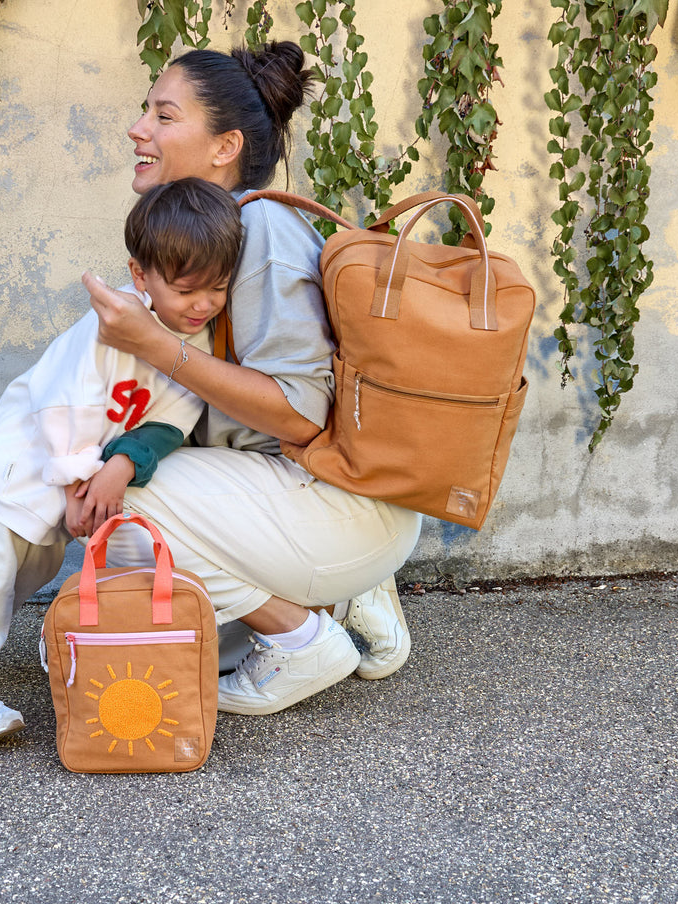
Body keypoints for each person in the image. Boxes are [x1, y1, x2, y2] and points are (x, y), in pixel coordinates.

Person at [79, 41, 422, 716]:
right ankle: (342, 595)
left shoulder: (259, 226)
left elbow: (299, 415)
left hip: (339, 504)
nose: (138, 129)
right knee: (154, 618)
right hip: (301, 494)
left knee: (118, 504)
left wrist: (154, 344)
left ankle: (303, 636)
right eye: (144, 111)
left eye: (163, 115)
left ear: (223, 145)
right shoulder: (209, 232)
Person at [0, 177, 243, 742]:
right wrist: (77, 482)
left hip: (77, 487)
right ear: (141, 276)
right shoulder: (112, 327)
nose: (203, 304)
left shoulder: (193, 341)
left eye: (218, 289)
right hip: (24, 467)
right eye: (187, 290)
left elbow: (172, 419)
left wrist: (122, 465)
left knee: (21, 578)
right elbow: (65, 403)